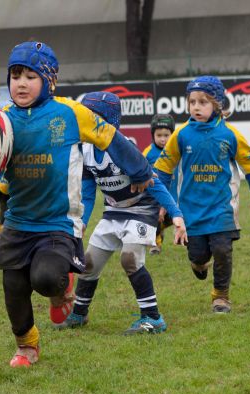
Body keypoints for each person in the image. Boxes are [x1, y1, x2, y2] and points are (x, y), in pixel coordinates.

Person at [0, 41, 155, 367]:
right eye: (15, 75)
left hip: (59, 222)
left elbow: (110, 137)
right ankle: (27, 345)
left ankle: (62, 287)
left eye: (31, 76)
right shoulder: (2, 119)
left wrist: (140, 170)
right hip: (18, 222)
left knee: (44, 279)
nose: (21, 83)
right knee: (13, 286)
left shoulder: (70, 112)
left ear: (49, 81)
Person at [57, 92, 187, 333]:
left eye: (90, 116)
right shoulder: (84, 150)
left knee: (129, 259)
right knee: (89, 263)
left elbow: (154, 182)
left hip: (141, 209)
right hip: (113, 211)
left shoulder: (123, 147)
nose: (83, 121)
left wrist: (176, 215)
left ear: (106, 121)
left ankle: (153, 318)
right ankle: (79, 314)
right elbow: (87, 193)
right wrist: (82, 222)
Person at [154, 75, 250, 314]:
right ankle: (199, 264)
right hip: (191, 212)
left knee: (223, 251)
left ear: (217, 104)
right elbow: (163, 170)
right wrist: (162, 204)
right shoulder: (181, 135)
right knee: (198, 256)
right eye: (192, 101)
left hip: (222, 209)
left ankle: (221, 297)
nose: (196, 106)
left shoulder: (230, 135)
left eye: (203, 102)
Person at [142, 113, 176, 255]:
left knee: (180, 217)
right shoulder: (148, 153)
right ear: (153, 135)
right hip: (155, 196)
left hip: (175, 195)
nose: (163, 139)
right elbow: (141, 171)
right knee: (155, 218)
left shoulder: (176, 151)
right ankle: (156, 243)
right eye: (159, 135)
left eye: (166, 135)